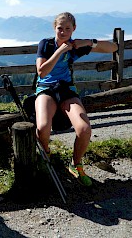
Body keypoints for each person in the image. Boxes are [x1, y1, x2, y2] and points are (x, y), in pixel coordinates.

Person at [35, 12, 118, 186]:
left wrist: (88, 42)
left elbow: (113, 48)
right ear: (54, 28)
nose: (63, 32)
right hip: (45, 89)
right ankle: (47, 154)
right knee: (43, 127)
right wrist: (59, 51)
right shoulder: (46, 44)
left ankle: (76, 163)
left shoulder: (75, 45)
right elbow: (42, 72)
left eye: (67, 28)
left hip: (66, 90)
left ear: (74, 29)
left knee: (84, 128)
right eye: (60, 28)